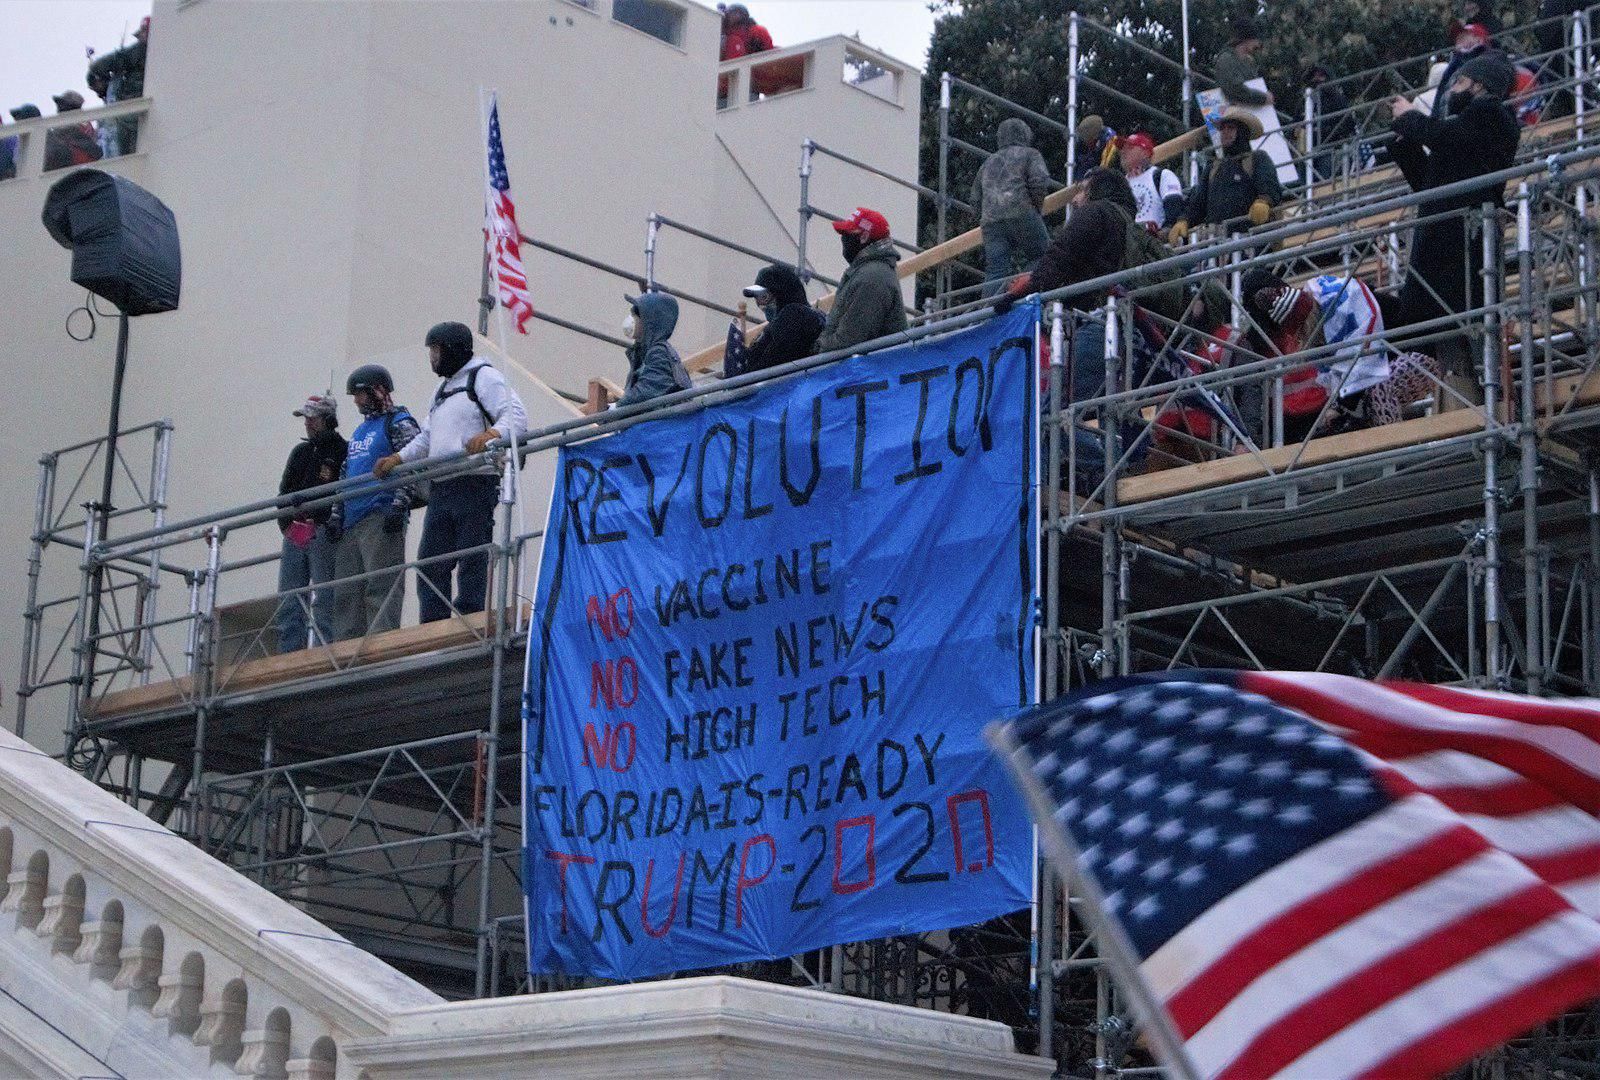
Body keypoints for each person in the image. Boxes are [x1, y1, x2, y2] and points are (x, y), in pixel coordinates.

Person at [373, 322, 527, 623]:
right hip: (442, 486)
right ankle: (434, 623)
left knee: (472, 553)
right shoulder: (442, 390)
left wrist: (492, 434)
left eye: (436, 350)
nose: (432, 357)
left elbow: (516, 416)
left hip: (475, 481)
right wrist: (398, 457)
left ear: (453, 349)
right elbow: (427, 437)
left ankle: (470, 617)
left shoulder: (484, 377)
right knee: (432, 561)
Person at [1390, 57, 1520, 401]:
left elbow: (1444, 135)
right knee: (1445, 331)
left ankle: (1489, 403)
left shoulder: (1491, 115)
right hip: (1445, 240)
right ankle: (1463, 401)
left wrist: (1410, 117)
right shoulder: (1467, 128)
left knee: (1465, 328)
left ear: (1480, 84)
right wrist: (1405, 139)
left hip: (1462, 241)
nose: (1452, 91)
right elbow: (1430, 183)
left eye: (1459, 83)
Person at [329, 365, 419, 641]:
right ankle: (347, 649)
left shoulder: (399, 422)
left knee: (381, 584)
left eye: (359, 394)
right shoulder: (359, 431)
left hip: (380, 513)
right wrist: (336, 513)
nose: (355, 401)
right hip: (352, 519)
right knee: (347, 592)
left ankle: (381, 642)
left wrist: (399, 503)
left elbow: (413, 461)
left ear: (375, 391)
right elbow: (346, 472)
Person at [274, 396, 346, 653]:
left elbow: (341, 490)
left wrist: (323, 520)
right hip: (295, 531)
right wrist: (287, 525)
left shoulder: (341, 450)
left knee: (325, 596)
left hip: (322, 530)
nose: (307, 423)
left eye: (312, 418)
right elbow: (283, 492)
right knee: (289, 598)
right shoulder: (300, 452)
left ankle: (325, 651)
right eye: (306, 418)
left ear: (327, 419)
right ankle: (289, 653)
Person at [1168, 107, 1281, 243]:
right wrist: (1184, 220)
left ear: (1242, 132)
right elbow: (1198, 202)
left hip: (1250, 240)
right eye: (1222, 129)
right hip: (1216, 244)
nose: (1224, 133)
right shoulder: (1213, 167)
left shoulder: (1257, 158)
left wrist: (1264, 201)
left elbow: (1269, 186)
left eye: (1231, 128)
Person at [971, 118, 1053, 295]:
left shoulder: (987, 163)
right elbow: (1039, 183)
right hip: (1022, 212)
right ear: (1024, 135)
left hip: (991, 221)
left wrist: (984, 218)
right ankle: (1020, 291)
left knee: (995, 270)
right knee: (1042, 256)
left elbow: (975, 199)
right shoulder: (1030, 154)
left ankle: (987, 313)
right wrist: (1036, 208)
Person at [815, 207, 908, 355]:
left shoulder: (871, 278)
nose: (843, 238)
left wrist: (815, 352)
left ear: (864, 237)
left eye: (847, 234)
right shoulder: (868, 272)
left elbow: (848, 339)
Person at [740, 264, 824, 371]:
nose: (761, 305)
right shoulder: (789, 319)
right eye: (757, 299)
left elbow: (772, 361)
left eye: (764, 297)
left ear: (781, 293)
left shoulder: (794, 315)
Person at [86, 15, 148, 155]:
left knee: (123, 151)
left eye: (143, 33)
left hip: (129, 112)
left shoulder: (140, 50)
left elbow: (99, 66)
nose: (139, 38)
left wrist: (102, 76)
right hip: (131, 110)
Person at [619, 291, 693, 405]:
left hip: (665, 420)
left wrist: (618, 407)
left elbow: (646, 390)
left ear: (649, 321)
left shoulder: (659, 352)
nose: (631, 318)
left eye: (635, 315)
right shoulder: (645, 352)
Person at [1434, 23, 1510, 118]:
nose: (1458, 40)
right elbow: (1440, 94)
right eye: (1457, 38)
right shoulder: (1453, 66)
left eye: (1464, 36)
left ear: (1478, 38)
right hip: (1452, 122)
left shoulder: (1492, 61)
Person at [1120, 132, 1183, 232]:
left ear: (1145, 153)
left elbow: (1174, 208)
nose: (1123, 151)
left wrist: (1165, 231)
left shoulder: (1162, 175)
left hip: (1156, 243)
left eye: (1130, 148)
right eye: (1122, 148)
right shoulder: (1120, 184)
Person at [1305, 65, 1353, 181]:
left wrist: (1326, 132)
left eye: (1321, 76)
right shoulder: (1306, 99)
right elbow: (1296, 122)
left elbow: (1348, 124)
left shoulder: (1336, 98)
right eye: (1314, 77)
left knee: (1324, 175)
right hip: (1307, 150)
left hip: (1331, 148)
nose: (1317, 80)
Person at [1213, 20, 1273, 110]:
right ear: (1246, 39)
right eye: (1255, 40)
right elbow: (1235, 88)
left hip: (1248, 114)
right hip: (1230, 114)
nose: (1257, 44)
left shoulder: (1248, 62)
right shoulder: (1226, 59)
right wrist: (1262, 98)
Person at [43, 92, 101, 172]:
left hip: (77, 168)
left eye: (62, 105)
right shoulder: (65, 126)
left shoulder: (81, 125)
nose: (58, 109)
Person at [1072, 114, 1119, 182]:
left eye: (1087, 140)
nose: (1086, 143)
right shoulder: (1084, 143)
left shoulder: (1111, 141)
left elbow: (1104, 168)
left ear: (1095, 138)